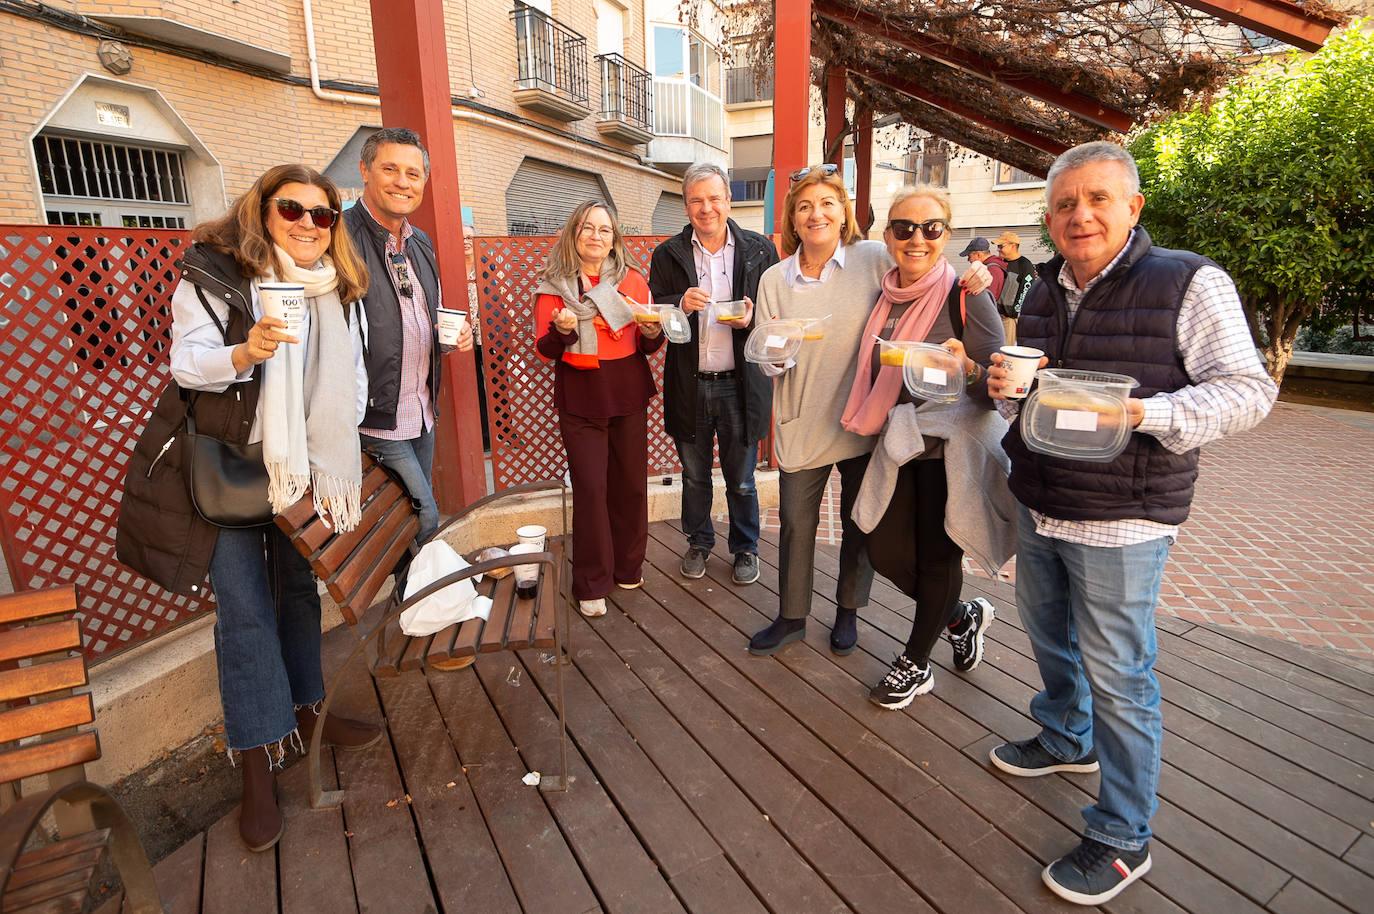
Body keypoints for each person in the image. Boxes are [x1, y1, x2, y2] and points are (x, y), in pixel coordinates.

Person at [985, 142, 1277, 905]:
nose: (1080, 215)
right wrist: (1007, 390)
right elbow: (1038, 395)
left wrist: (1145, 413)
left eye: (1097, 199)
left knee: (1120, 673)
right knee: (1049, 634)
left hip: (1126, 514)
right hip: (1042, 495)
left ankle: (1123, 833)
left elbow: (1248, 392)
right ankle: (1065, 734)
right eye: (1064, 204)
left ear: (1133, 207)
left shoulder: (1187, 280)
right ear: (1049, 218)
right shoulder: (1043, 289)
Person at [120, 164, 381, 853]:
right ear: (264, 211)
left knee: (297, 593)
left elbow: (353, 374)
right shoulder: (215, 273)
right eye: (291, 208)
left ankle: (306, 708)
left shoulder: (339, 286)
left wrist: (332, 445)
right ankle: (257, 762)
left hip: (303, 471)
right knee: (243, 611)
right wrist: (246, 351)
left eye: (322, 215)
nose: (307, 223)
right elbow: (187, 364)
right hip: (233, 465)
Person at [746, 165, 991, 657]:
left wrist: (978, 275)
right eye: (804, 206)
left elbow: (924, 266)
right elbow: (770, 352)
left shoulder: (874, 257)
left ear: (844, 215)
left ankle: (847, 611)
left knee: (861, 523)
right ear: (793, 218)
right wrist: (773, 350)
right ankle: (792, 615)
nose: (816, 214)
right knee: (796, 523)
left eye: (828, 204)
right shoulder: (774, 277)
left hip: (866, 421)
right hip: (801, 420)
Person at [845, 187, 1011, 709]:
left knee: (939, 557)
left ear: (948, 232)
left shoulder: (967, 295)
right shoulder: (883, 292)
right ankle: (962, 616)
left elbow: (997, 385)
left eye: (931, 227)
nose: (917, 239)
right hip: (899, 441)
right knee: (886, 550)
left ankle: (916, 662)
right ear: (888, 234)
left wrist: (968, 370)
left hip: (950, 445)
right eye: (904, 228)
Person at [648, 163, 779, 586]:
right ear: (686, 206)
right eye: (696, 200)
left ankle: (745, 547)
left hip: (740, 385)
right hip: (691, 383)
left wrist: (754, 321)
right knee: (694, 475)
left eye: (714, 198)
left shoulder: (760, 250)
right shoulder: (667, 254)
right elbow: (655, 316)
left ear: (728, 200)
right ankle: (699, 541)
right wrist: (678, 304)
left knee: (741, 479)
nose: (706, 208)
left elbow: (777, 318)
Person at [534, 201, 665, 617]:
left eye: (604, 230)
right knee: (590, 491)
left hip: (626, 389)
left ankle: (629, 567)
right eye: (587, 228)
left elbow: (646, 345)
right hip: (581, 393)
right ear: (574, 235)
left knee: (630, 485)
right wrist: (561, 331)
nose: (595, 236)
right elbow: (545, 350)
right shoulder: (554, 287)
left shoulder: (634, 283)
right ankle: (592, 581)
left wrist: (651, 332)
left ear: (614, 239)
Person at [346, 127, 472, 549]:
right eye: (390, 169)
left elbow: (415, 318)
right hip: (374, 417)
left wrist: (450, 334)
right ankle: (428, 606)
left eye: (414, 174)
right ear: (365, 171)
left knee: (404, 524)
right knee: (425, 517)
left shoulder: (419, 243)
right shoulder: (340, 238)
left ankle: (411, 607)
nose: (403, 182)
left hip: (420, 410)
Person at [464, 221, 491, 450]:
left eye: (469, 238)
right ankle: (484, 436)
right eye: (461, 238)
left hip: (490, 336)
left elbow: (504, 298)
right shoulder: (451, 269)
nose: (465, 243)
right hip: (466, 340)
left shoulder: (488, 268)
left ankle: (505, 429)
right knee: (476, 388)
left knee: (497, 385)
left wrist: (507, 334)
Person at [962, 235, 1016, 343]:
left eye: (969, 256)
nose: (969, 260)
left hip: (995, 321)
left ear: (979, 254)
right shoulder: (993, 266)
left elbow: (986, 301)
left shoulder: (991, 270)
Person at [994, 230, 1037, 341]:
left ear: (1013, 245)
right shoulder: (1000, 263)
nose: (998, 249)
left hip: (1009, 319)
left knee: (1005, 352)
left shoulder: (1025, 265)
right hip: (995, 316)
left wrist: (1011, 313)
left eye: (1001, 246)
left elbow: (1025, 291)